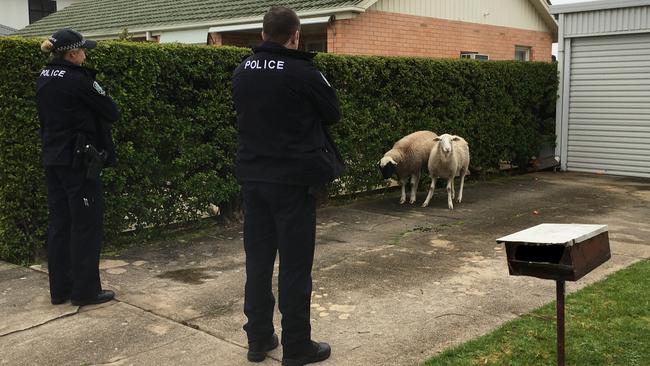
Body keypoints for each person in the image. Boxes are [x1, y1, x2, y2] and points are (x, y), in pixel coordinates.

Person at [232, 6, 343, 366]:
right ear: (295, 36)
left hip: (254, 180)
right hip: (293, 183)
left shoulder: (242, 71)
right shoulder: (303, 70)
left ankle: (259, 339)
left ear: (264, 34)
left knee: (258, 263)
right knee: (295, 266)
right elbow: (333, 113)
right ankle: (297, 346)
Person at [36, 29, 120, 306]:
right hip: (79, 162)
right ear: (72, 54)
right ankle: (85, 291)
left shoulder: (44, 77)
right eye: (83, 51)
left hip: (54, 159)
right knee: (85, 225)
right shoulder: (78, 80)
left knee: (59, 224)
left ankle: (60, 289)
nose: (86, 54)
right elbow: (111, 111)